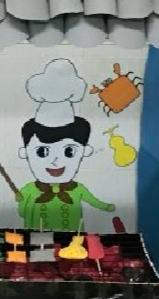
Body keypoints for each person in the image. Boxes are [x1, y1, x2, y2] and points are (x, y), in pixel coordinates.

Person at [15, 59, 114, 231]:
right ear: (25, 153)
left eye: (69, 151)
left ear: (84, 151)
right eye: (42, 151)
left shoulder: (77, 189)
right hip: (37, 236)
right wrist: (21, 201)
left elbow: (93, 201)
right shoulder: (29, 190)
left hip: (72, 238)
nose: (55, 161)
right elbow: (22, 212)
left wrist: (106, 207)